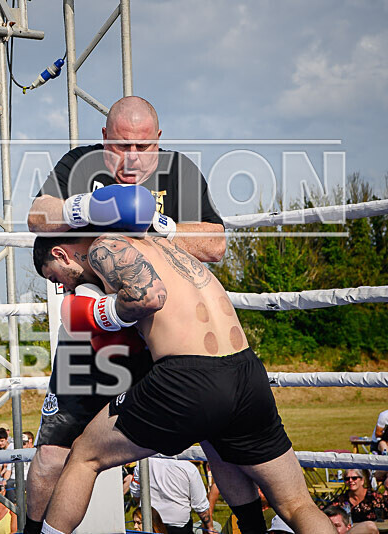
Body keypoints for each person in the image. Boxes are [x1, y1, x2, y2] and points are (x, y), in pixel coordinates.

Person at [32, 232, 333, 534]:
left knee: (84, 455)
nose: (63, 287)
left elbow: (148, 297)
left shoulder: (105, 247)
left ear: (61, 255)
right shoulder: (168, 245)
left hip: (188, 376)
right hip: (246, 371)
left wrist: (104, 312)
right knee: (296, 503)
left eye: (55, 278)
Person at [24, 96, 226, 534]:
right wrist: (90, 208)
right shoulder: (80, 165)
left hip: (165, 341)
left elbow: (216, 243)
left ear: (158, 141)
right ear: (103, 139)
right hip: (94, 341)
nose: (131, 157)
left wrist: (156, 222)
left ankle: (251, 525)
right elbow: (37, 216)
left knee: (222, 440)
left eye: (142, 147)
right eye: (119, 145)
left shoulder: (180, 172)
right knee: (51, 456)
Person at [128, 458, 214, 534]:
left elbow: (136, 493)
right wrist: (209, 527)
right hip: (177, 527)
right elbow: (201, 507)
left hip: (149, 523)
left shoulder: (143, 463)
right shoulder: (189, 468)